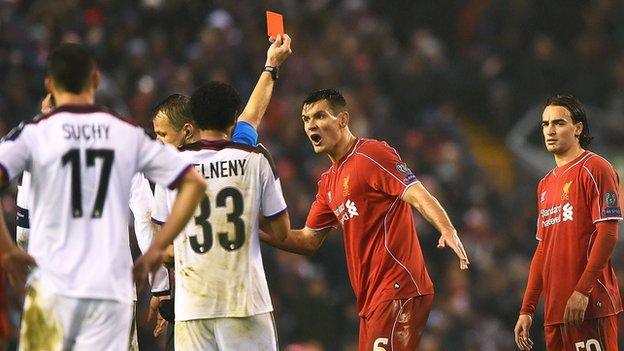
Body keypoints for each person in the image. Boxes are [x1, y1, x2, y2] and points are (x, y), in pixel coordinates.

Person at [0, 43, 206, 351]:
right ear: (95, 80)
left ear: (50, 85)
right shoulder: (124, 133)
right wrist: (156, 252)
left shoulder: (33, 133)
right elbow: (192, 183)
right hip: (111, 292)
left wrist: (8, 250)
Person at [260, 89, 469, 350]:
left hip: (398, 286)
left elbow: (416, 193)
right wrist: (254, 229)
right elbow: (306, 240)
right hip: (371, 300)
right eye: (305, 119)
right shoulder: (328, 183)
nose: (311, 124)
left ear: (343, 120)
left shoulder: (372, 154)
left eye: (320, 116)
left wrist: (446, 227)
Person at [150, 80, 291, 350]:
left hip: (193, 307)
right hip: (245, 301)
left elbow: (163, 248)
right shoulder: (255, 157)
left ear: (195, 122)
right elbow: (281, 232)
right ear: (233, 119)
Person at [514, 95, 622, 351]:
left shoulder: (595, 168)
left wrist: (582, 291)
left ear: (578, 128)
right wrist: (527, 309)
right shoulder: (545, 184)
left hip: (588, 305)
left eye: (559, 123)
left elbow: (608, 234)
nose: (550, 130)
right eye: (545, 124)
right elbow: (543, 250)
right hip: (555, 313)